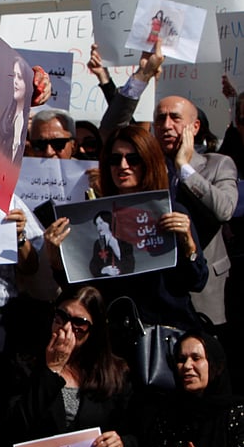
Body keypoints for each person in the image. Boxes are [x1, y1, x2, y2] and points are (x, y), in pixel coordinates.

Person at [100, 40, 236, 332]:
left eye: (176, 118)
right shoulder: (144, 166)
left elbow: (223, 211)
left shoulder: (217, 165)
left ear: (195, 127)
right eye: (160, 118)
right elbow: (112, 129)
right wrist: (143, 76)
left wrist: (185, 168)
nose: (165, 124)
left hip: (205, 294)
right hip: (154, 296)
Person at [44, 125, 207, 330]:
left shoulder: (172, 212)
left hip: (166, 331)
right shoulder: (96, 218)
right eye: (114, 159)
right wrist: (56, 261)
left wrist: (188, 244)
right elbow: (82, 288)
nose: (123, 166)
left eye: (133, 159)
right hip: (114, 335)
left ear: (149, 162)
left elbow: (197, 281)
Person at [7, 285, 136, 447]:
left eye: (79, 323)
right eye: (61, 316)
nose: (66, 328)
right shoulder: (26, 363)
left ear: (93, 330)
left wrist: (121, 443)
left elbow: (134, 433)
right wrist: (51, 369)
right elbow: (14, 426)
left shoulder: (115, 372)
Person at [146, 330, 244, 447]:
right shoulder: (170, 414)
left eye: (196, 358)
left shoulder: (237, 414)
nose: (187, 366)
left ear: (215, 365)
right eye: (181, 359)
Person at [0, 58, 29, 166]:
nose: (15, 81)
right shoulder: (4, 116)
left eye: (20, 77)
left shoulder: (29, 121)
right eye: (13, 76)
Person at [89, 210, 135, 278]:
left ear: (109, 222)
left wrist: (119, 270)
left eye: (101, 223)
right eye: (97, 224)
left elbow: (130, 263)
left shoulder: (124, 242)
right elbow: (94, 265)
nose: (98, 227)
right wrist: (103, 270)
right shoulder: (98, 243)